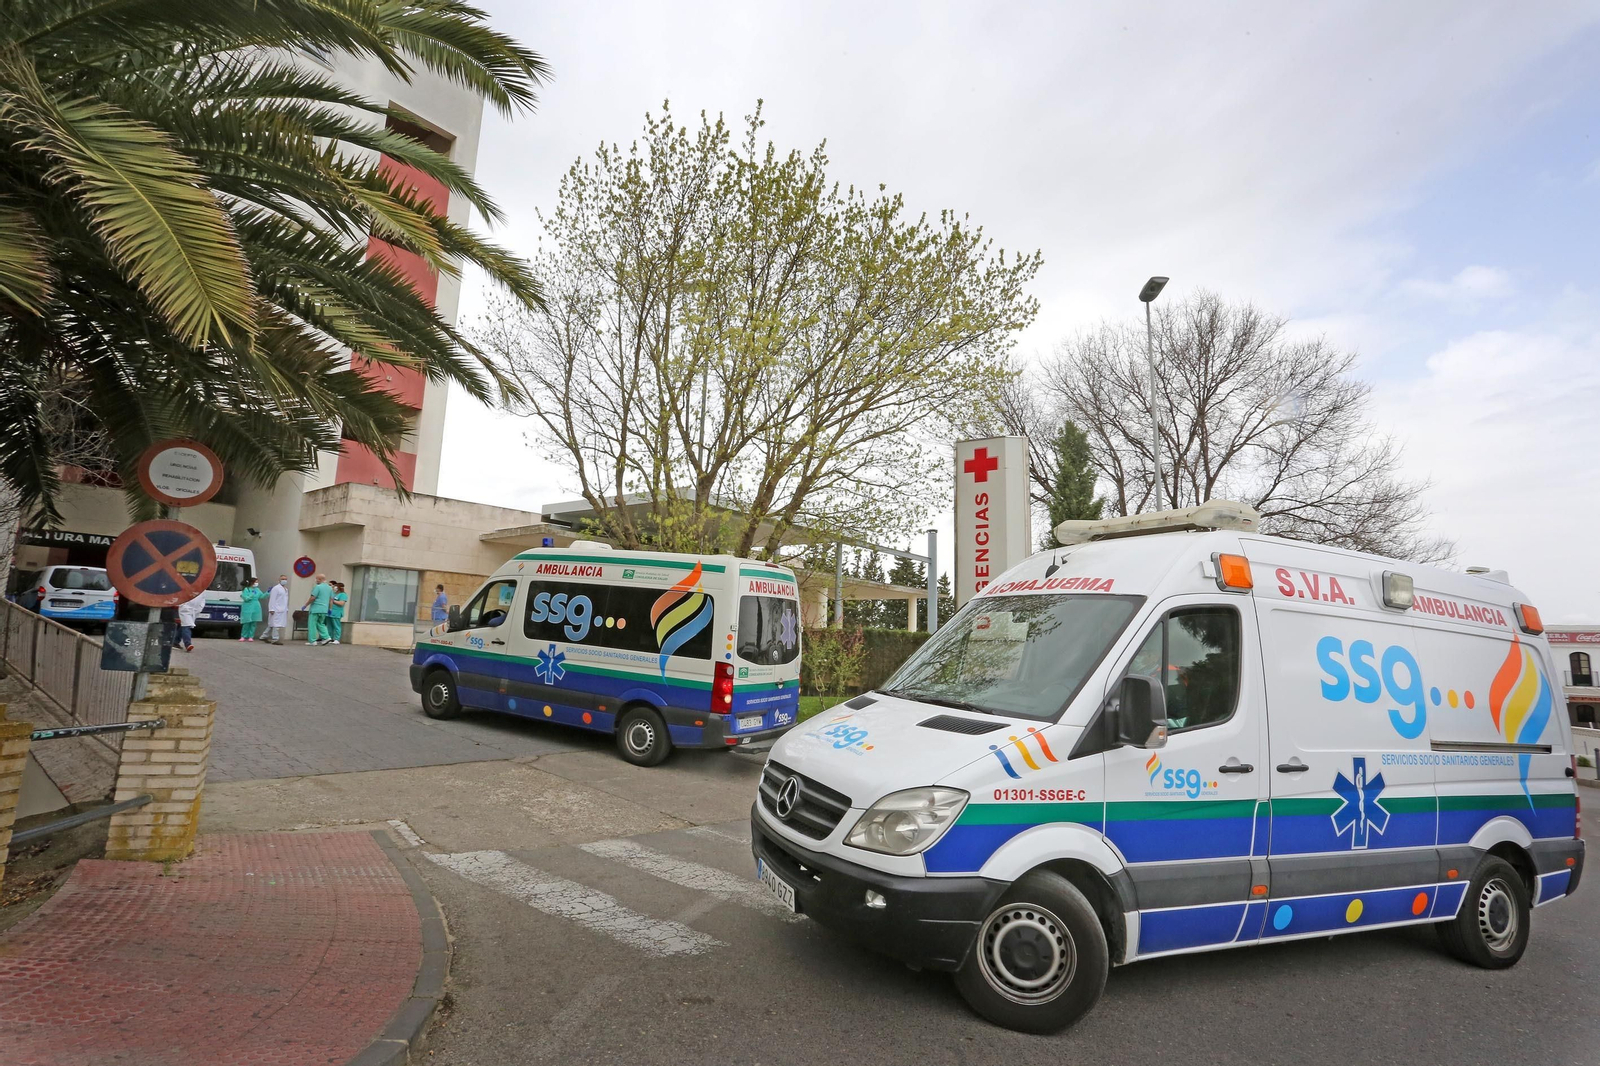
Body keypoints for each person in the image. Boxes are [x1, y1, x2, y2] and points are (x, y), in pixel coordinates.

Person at [303, 573, 333, 646]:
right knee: (321, 624)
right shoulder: (330, 588)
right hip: (324, 609)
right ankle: (327, 637)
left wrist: (305, 605)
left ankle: (313, 641)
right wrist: (330, 609)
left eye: (317, 579)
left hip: (316, 608)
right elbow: (331, 599)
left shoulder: (318, 587)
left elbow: (313, 597)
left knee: (312, 624)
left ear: (320, 579)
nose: (316, 580)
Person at [238, 576, 265, 641]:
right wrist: (252, 595)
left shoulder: (257, 590)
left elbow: (262, 596)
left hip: (256, 606)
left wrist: (268, 593)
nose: (257, 583)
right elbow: (246, 598)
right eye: (256, 582)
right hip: (248, 606)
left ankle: (251, 636)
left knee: (253, 622)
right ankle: (243, 636)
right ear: (252, 582)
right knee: (246, 622)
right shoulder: (246, 589)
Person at [265, 575, 290, 645]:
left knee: (273, 624)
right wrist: (271, 608)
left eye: (285, 579)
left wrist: (286, 608)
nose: (284, 580)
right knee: (276, 624)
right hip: (276, 609)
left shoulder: (286, 589)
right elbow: (272, 599)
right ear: (279, 580)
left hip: (283, 609)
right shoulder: (276, 588)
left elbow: (285, 600)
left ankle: (264, 636)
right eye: (282, 579)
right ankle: (275, 639)